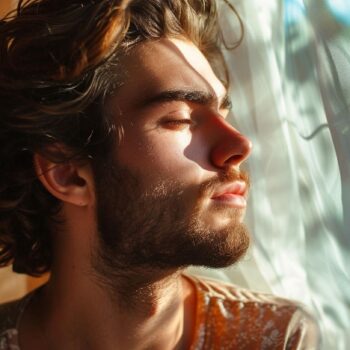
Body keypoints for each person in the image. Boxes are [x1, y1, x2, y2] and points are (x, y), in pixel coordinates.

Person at [0, 0, 319, 349]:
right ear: (67, 175)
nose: (240, 144)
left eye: (223, 112)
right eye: (179, 119)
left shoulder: (277, 339)